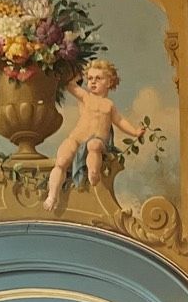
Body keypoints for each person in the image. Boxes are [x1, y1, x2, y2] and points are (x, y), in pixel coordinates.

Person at [43, 59, 144, 212]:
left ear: (109, 82)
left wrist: (135, 132)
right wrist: (75, 77)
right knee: (62, 160)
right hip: (76, 137)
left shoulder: (109, 105)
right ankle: (52, 195)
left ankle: (93, 172)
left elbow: (120, 121)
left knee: (94, 145)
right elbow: (71, 86)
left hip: (97, 140)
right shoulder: (86, 97)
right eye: (90, 78)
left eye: (98, 78)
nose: (93, 82)